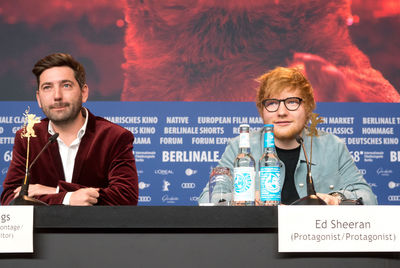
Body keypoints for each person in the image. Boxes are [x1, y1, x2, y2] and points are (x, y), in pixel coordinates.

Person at [199, 67, 377, 205]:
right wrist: (243, 201)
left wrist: (336, 199)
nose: (282, 112)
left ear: (307, 108)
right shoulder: (240, 147)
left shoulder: (332, 145)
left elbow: (368, 198)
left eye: (292, 102)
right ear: (262, 111)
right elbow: (209, 198)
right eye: (272, 103)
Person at [1, 53, 138, 205]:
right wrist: (68, 198)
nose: (57, 96)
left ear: (84, 93)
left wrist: (57, 191)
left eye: (66, 85)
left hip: (94, 229)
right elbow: (10, 200)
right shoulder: (28, 137)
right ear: (39, 99)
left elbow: (125, 198)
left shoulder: (115, 136)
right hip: (45, 229)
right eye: (47, 87)